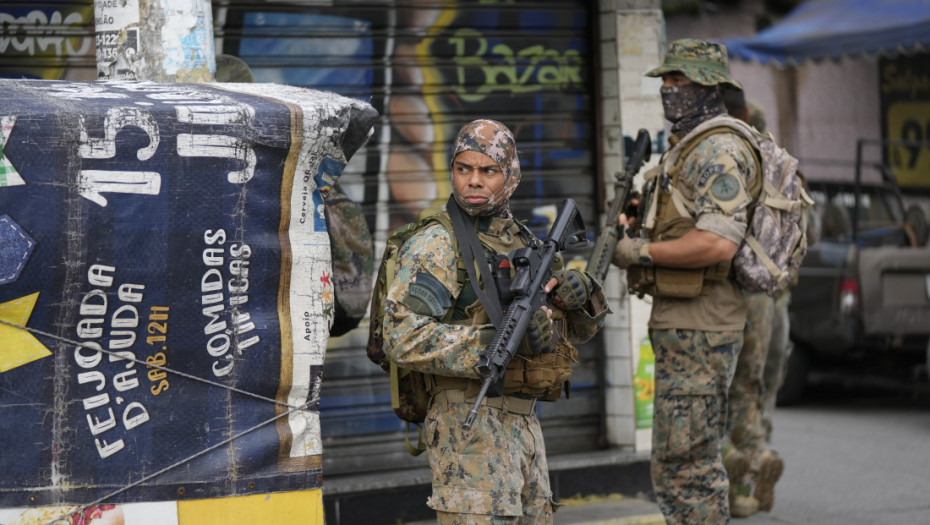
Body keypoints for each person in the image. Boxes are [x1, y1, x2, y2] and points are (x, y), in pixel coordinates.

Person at [381, 119, 609, 524]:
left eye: (488, 170)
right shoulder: (438, 242)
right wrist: (495, 342)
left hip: (523, 424)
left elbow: (569, 335)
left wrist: (579, 298)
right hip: (466, 424)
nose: (473, 181)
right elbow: (400, 336)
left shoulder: (523, 241)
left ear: (511, 175)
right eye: (463, 169)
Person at [611, 39, 760, 524]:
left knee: (688, 464)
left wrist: (640, 251)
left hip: (703, 325)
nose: (670, 89)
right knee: (678, 459)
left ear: (710, 86)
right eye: (667, 80)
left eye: (682, 80)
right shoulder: (687, 146)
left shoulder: (717, 148)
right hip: (684, 323)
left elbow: (718, 243)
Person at [720, 86, 786, 517]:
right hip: (769, 296)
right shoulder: (776, 163)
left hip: (723, 292)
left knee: (716, 389)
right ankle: (758, 457)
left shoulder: (720, 158)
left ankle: (731, 475)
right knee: (753, 386)